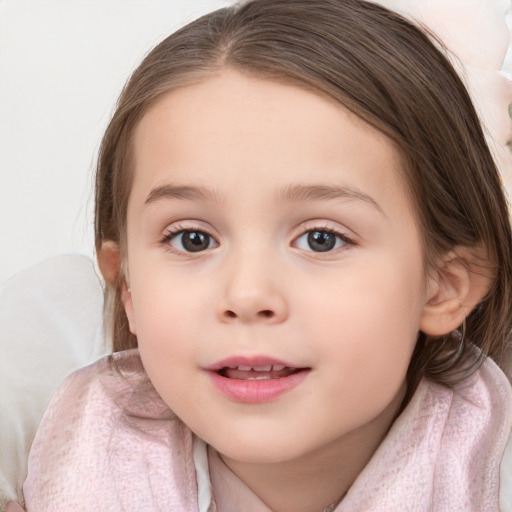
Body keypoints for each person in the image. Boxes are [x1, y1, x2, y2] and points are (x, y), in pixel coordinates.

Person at [15, 0, 512, 510]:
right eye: (193, 239)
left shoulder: (491, 469)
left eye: (322, 238)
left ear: (444, 286)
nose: (247, 295)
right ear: (129, 290)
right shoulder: (57, 458)